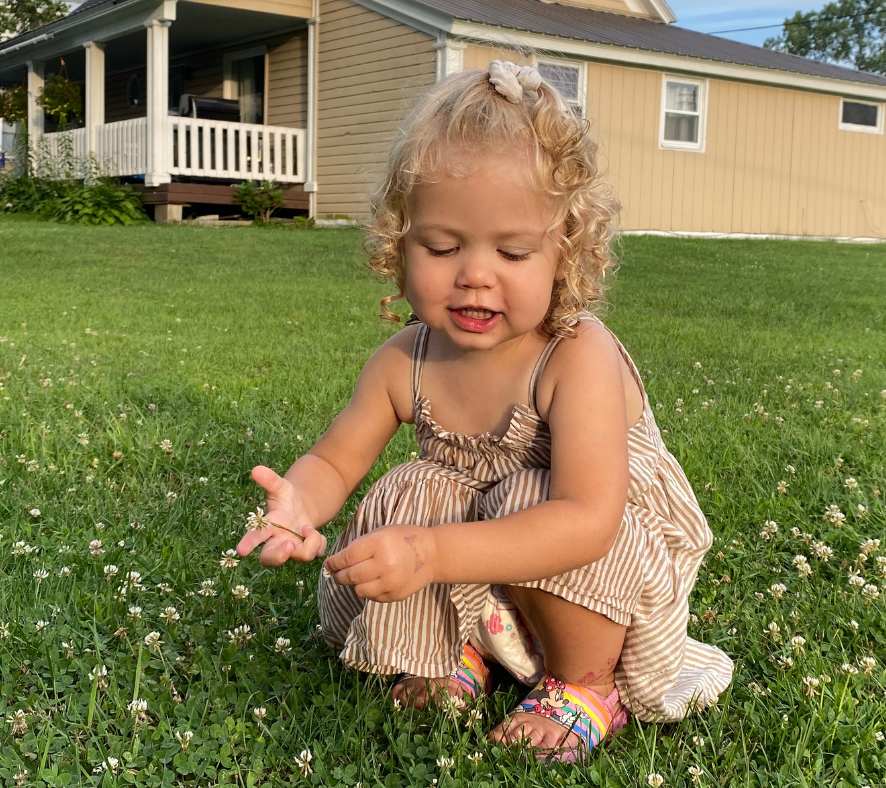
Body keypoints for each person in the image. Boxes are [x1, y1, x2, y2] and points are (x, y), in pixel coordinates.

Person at [236, 60, 733, 762]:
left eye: (513, 250)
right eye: (442, 245)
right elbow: (333, 460)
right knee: (411, 489)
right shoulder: (403, 362)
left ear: (566, 256)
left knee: (528, 495)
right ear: (399, 248)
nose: (475, 273)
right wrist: (297, 506)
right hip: (484, 560)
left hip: (594, 570)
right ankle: (457, 651)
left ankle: (584, 685)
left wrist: (430, 553)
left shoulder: (575, 355)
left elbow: (589, 523)